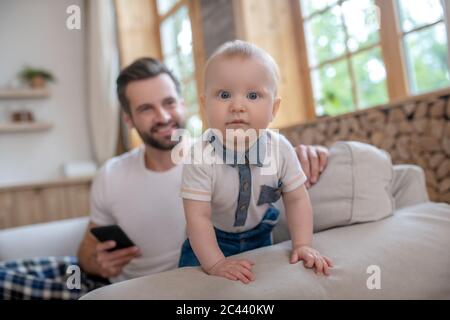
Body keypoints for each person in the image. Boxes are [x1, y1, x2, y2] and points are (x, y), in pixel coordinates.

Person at [0, 57, 329, 299]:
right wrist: (95, 261)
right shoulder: (111, 175)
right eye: (146, 109)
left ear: (184, 104)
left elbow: (273, 159)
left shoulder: (219, 156)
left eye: (169, 102)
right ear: (129, 119)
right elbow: (87, 247)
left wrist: (309, 152)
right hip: (107, 285)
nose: (163, 117)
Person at [178, 41, 332, 284]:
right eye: (224, 94)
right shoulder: (200, 156)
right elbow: (198, 218)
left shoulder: (280, 149)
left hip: (261, 233)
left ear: (274, 108)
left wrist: (302, 244)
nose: (237, 106)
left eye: (253, 95)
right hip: (208, 241)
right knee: (188, 289)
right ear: (204, 104)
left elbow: (297, 198)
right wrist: (215, 263)